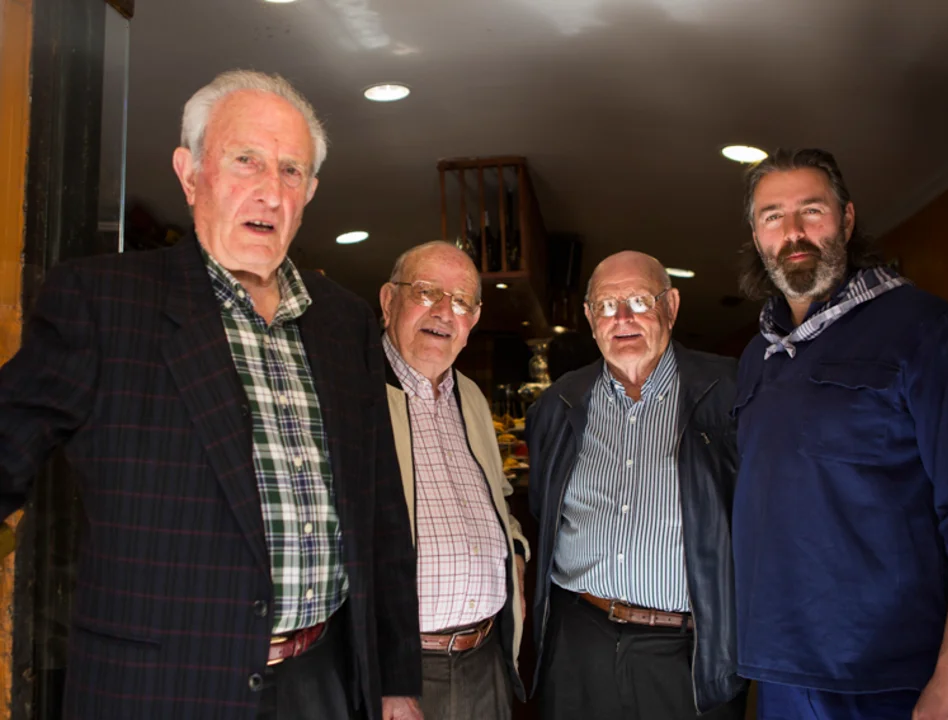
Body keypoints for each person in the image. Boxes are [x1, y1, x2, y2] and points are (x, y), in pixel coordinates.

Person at [0, 70, 422, 720]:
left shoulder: (344, 320)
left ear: (309, 192)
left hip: (323, 679)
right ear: (190, 172)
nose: (270, 191)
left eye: (290, 170)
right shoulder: (102, 302)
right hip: (159, 689)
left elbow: (381, 511)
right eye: (245, 160)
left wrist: (395, 682)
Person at [732, 148, 948, 720]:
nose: (793, 232)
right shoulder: (755, 356)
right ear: (757, 236)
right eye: (773, 216)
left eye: (811, 210)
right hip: (779, 670)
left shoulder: (925, 329)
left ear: (846, 219)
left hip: (889, 676)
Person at [526, 251, 747, 720]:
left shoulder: (733, 392)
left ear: (672, 305)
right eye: (606, 305)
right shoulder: (558, 403)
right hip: (578, 642)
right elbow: (545, 511)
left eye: (640, 301)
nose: (622, 318)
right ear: (590, 318)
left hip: (689, 652)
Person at [378, 241, 531, 720]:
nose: (444, 311)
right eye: (426, 291)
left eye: (461, 301)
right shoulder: (353, 391)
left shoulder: (471, 397)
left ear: (474, 318)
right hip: (400, 673)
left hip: (485, 659)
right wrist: (382, 678)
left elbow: (499, 498)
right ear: (388, 300)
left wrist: (516, 551)